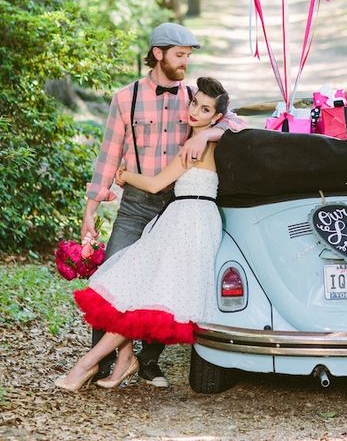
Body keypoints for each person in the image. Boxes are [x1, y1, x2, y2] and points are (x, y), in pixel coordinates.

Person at [81, 22, 244, 387]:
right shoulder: (126, 98)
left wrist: (213, 133)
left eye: (189, 56)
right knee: (113, 274)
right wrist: (90, 210)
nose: (186, 62)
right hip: (137, 202)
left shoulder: (194, 97)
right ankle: (103, 363)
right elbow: (109, 156)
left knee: (166, 281)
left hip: (176, 203)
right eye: (180, 55)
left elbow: (233, 121)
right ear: (159, 54)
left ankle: (148, 359)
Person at [55, 76, 229, 392]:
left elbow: (154, 184)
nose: (195, 111)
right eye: (194, 103)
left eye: (205, 110)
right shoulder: (199, 139)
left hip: (190, 225)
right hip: (183, 219)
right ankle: (123, 360)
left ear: (216, 117)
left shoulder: (198, 147)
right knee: (129, 286)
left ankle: (87, 364)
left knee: (141, 297)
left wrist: (124, 175)